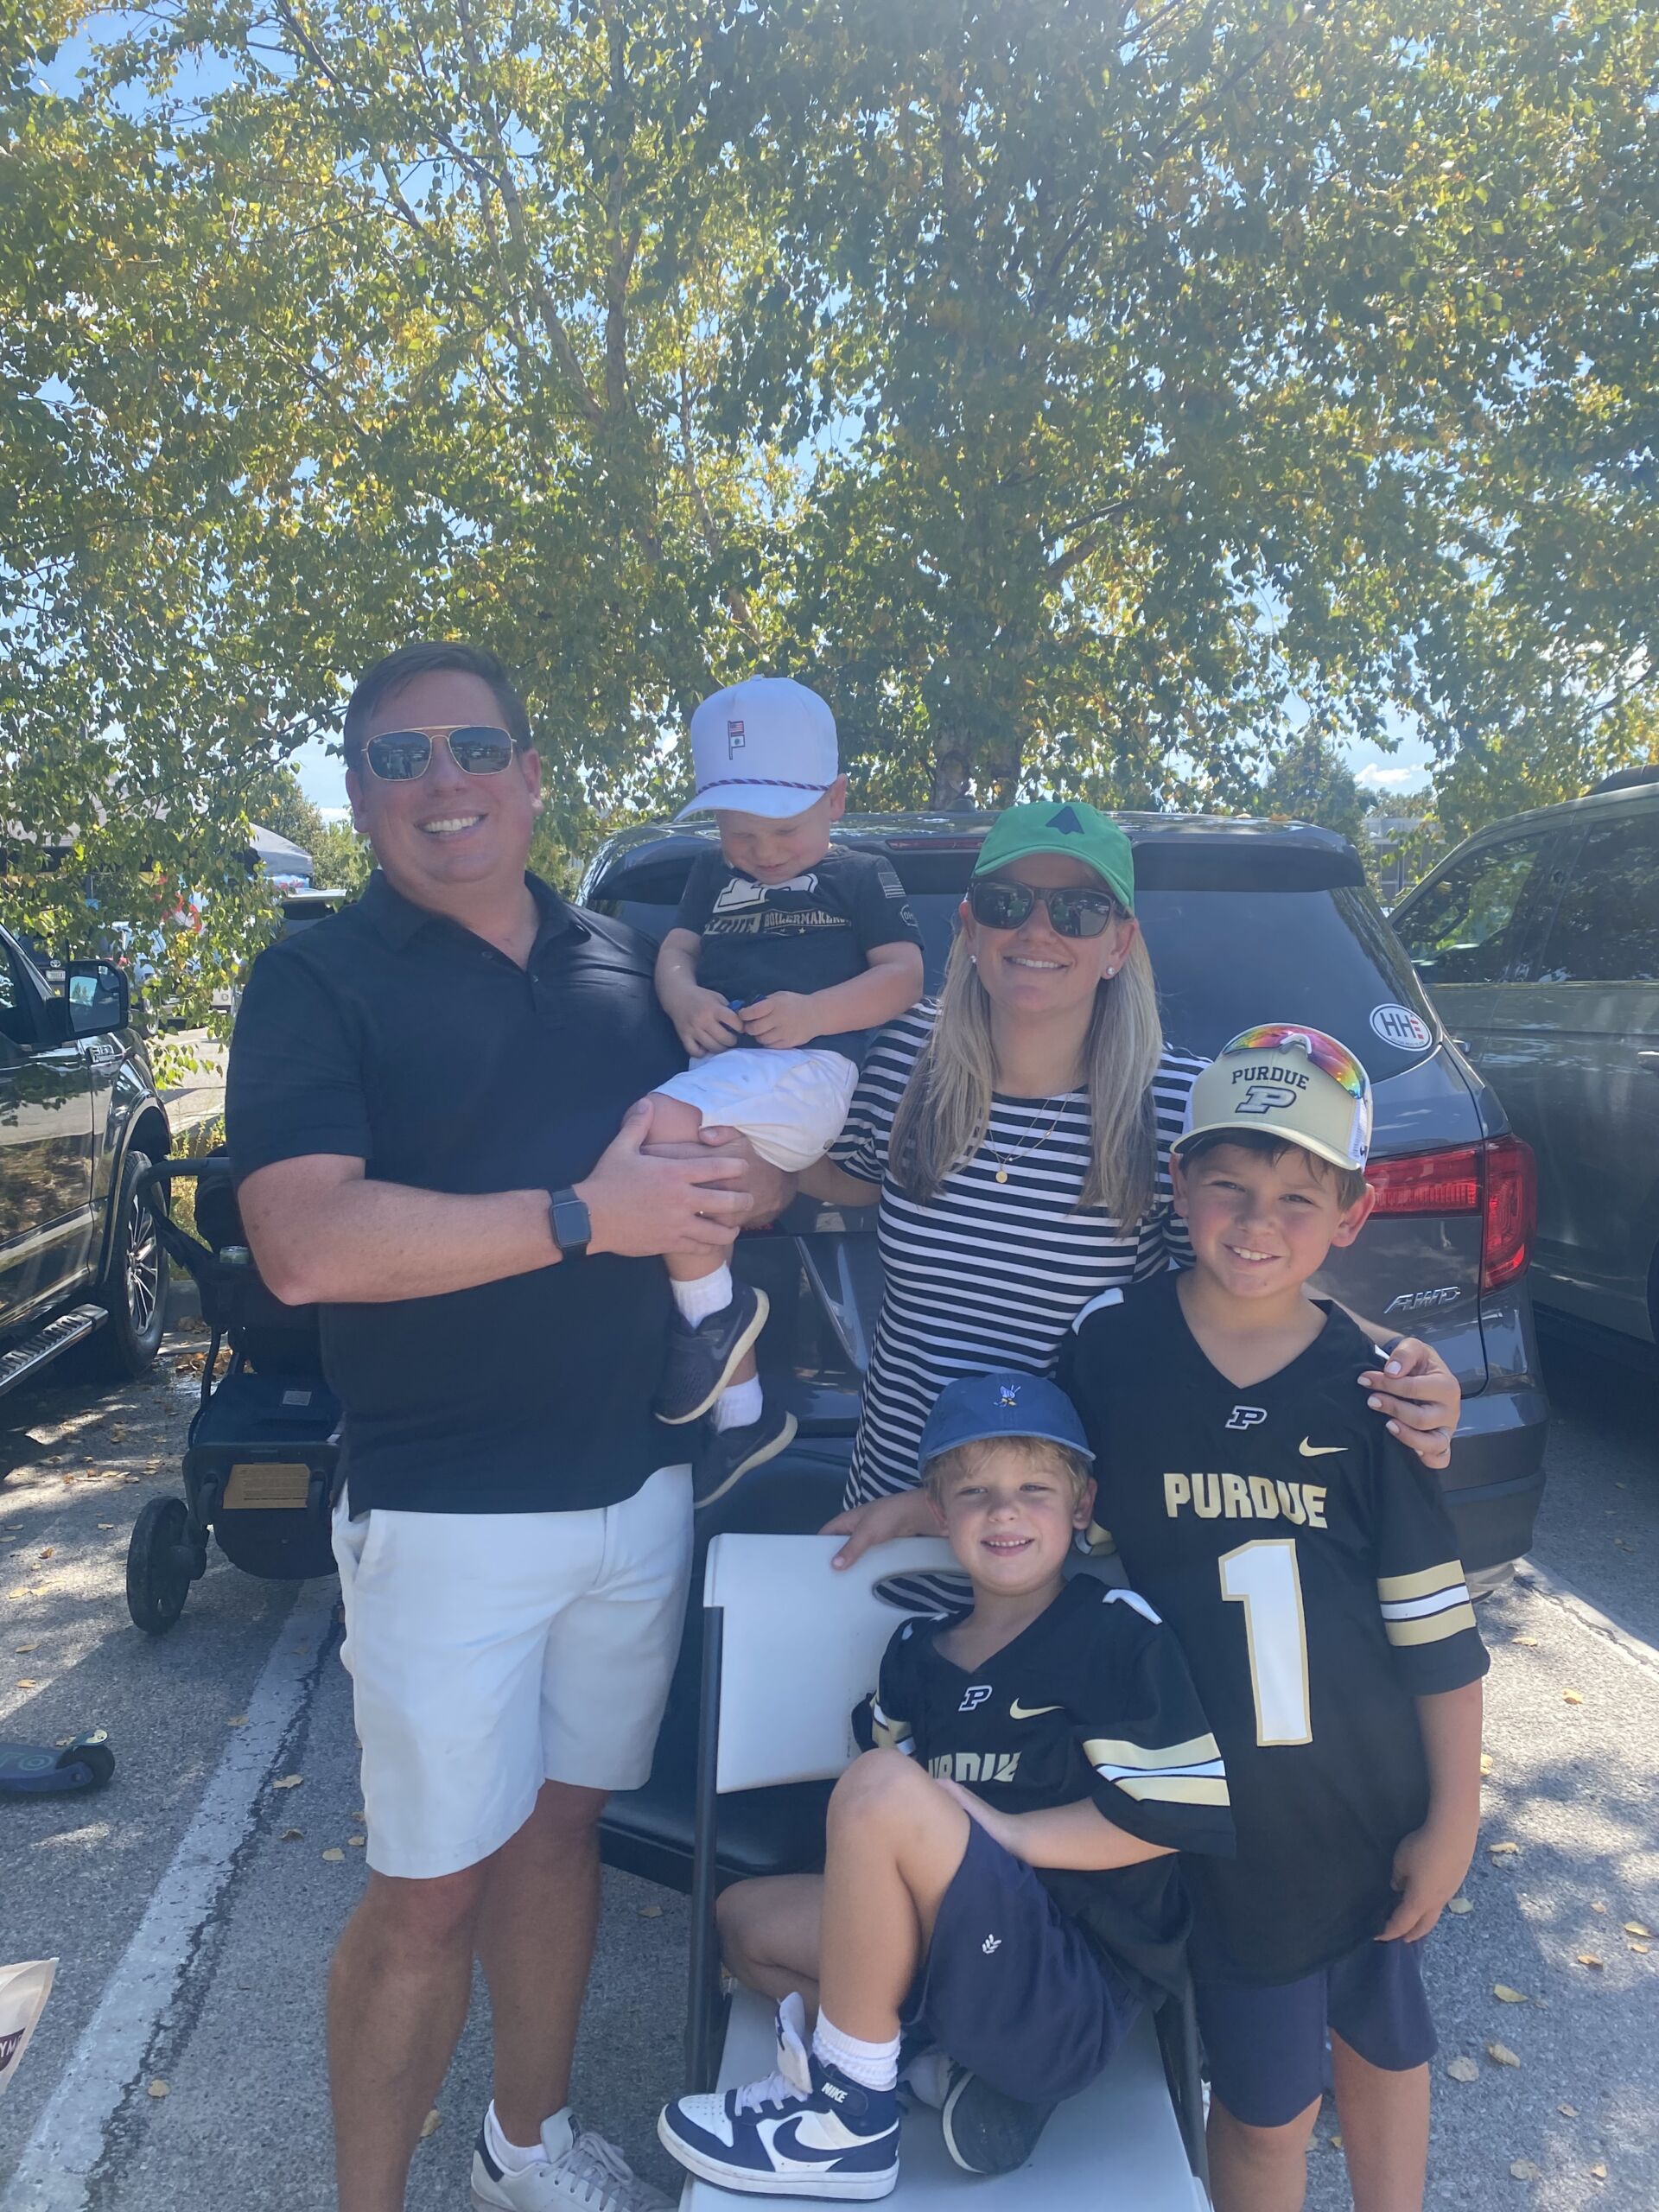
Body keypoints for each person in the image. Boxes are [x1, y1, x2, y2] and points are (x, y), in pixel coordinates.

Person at [226, 641, 785, 2212]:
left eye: (475, 747)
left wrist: (742, 1185)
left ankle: (524, 2150)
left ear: (535, 774)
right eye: (400, 762)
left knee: (564, 1838)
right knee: (426, 1896)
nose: (443, 783)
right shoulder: (319, 979)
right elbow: (306, 1244)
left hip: (638, 1497)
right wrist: (581, 1217)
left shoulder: (627, 963)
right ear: (359, 798)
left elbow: (736, 1159)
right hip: (446, 1518)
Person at [790, 799, 1463, 1598]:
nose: (1039, 933)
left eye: (1078, 911)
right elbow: (840, 1175)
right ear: (970, 927)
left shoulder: (1177, 1107)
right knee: (894, 1714)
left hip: (1074, 1534)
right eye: (1009, 905)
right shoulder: (906, 1061)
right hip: (893, 1514)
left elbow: (1243, 1292)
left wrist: (1400, 1363)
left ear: (1119, 942)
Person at [1058, 1026, 1490, 2212]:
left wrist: (1456, 1812)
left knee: (1389, 2048)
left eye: (1299, 1197)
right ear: (1179, 1185)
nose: (1258, 1222)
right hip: (1222, 1814)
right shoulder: (1111, 1347)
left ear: (1351, 1216)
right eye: (1231, 1187)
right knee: (1262, 2106)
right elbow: (1041, 1498)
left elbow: (1436, 1625)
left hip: (1361, 1795)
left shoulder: (1377, 1389)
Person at [656, 1370, 1234, 2200]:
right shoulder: (916, 1650)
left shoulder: (1115, 1631)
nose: (1004, 1512)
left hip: (1064, 1990)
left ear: (1081, 1506)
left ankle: (848, 2119)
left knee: (880, 1784)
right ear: (939, 1511)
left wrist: (1015, 1832)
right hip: (955, 1959)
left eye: (1035, 1489)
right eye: (975, 1492)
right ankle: (931, 2074)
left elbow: (1174, 1815)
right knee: (743, 1923)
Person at [646, 677, 924, 1507]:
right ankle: (743, 1415)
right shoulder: (708, 875)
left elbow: (905, 977)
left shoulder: (859, 875)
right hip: (731, 1080)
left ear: (836, 801)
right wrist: (683, 999)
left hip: (807, 1075)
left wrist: (815, 1014)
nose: (761, 850)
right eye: (739, 831)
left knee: (647, 1126)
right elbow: (675, 956)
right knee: (670, 1168)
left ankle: (711, 1327)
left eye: (783, 829)